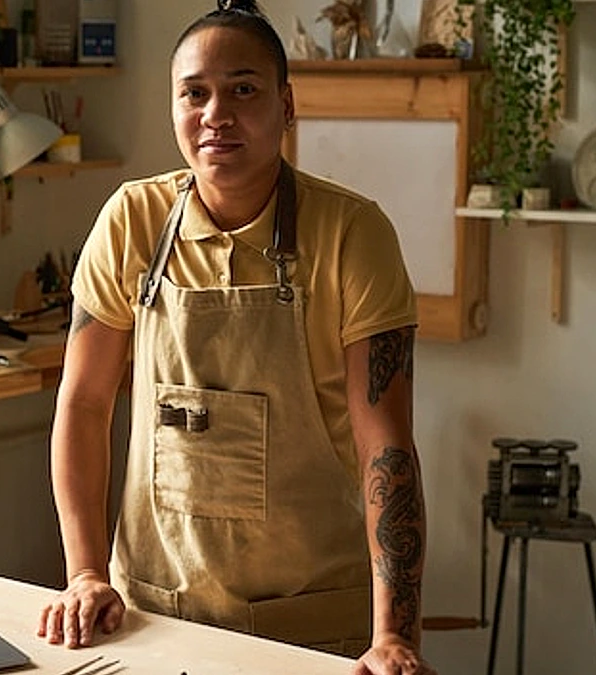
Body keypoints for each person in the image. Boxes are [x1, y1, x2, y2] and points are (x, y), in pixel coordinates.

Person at [36, 1, 434, 673]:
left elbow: (385, 446)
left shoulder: (351, 234)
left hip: (309, 623)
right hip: (154, 614)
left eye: (242, 90)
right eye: (195, 93)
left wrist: (394, 633)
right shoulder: (132, 220)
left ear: (286, 105)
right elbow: (82, 405)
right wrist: (84, 572)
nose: (215, 114)